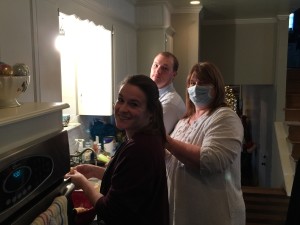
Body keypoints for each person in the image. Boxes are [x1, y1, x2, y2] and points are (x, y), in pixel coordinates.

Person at [65, 75, 169, 225]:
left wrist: (82, 182)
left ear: (150, 112)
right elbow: (131, 182)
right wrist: (95, 171)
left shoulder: (139, 149)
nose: (123, 108)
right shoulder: (145, 139)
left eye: (133, 104)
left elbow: (110, 211)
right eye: (121, 100)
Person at [165, 62, 246, 225]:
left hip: (214, 215)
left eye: (203, 83)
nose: (196, 88)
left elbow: (212, 160)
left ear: (216, 88)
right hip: (183, 214)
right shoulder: (183, 122)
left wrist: (164, 140)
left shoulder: (225, 117)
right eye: (192, 83)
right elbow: (171, 159)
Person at [150, 52, 185, 134]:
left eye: (165, 68)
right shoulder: (151, 94)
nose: (158, 70)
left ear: (174, 75)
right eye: (156, 65)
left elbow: (151, 136)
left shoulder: (171, 103)